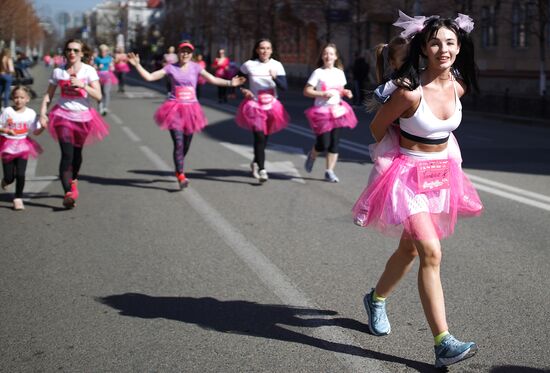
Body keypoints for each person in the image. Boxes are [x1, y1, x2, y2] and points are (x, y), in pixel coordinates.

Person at [351, 12, 483, 368]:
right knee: (430, 251)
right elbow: (378, 129)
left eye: (451, 42)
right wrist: (403, 153)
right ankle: (443, 342)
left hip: (440, 177)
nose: (444, 49)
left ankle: (376, 299)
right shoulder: (409, 91)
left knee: (409, 252)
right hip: (407, 178)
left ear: (459, 48)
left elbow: (445, 131)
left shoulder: (458, 85)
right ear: (424, 47)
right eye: (436, 42)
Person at [127, 41, 245, 189]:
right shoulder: (170, 68)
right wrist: (137, 65)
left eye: (188, 52)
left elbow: (213, 79)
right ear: (178, 52)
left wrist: (230, 83)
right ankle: (180, 174)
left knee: (186, 144)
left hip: (191, 109)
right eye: (182, 51)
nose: (185, 54)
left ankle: (179, 163)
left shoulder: (196, 67)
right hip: (174, 108)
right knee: (178, 142)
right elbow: (150, 77)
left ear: (191, 54)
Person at [39, 39, 109, 209]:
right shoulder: (58, 72)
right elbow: (48, 95)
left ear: (82, 53)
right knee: (67, 154)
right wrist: (42, 113)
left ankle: (74, 179)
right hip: (62, 116)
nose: (72, 53)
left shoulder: (89, 71)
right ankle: (68, 193)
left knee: (77, 155)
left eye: (76, 50)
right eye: (69, 50)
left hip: (83, 118)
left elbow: (99, 96)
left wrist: (82, 85)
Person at [236, 38, 290, 183]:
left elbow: (284, 87)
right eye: (262, 48)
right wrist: (243, 89)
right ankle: (262, 169)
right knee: (259, 136)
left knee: (264, 138)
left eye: (268, 48)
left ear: (271, 51)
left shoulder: (276, 65)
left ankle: (255, 162)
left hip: (272, 106)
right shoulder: (249, 65)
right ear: (257, 50)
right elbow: (236, 79)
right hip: (255, 105)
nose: (265, 51)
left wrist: (275, 78)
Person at [303, 43, 357, 183]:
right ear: (322, 56)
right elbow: (307, 91)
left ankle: (329, 171)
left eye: (331, 54)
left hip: (337, 110)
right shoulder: (318, 73)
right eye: (325, 54)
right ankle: (313, 155)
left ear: (336, 56)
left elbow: (341, 90)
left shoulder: (339, 73)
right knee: (323, 144)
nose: (328, 56)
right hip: (322, 112)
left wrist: (347, 92)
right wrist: (321, 93)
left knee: (334, 143)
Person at [0, 86, 44, 210]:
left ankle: (18, 198)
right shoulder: (7, 111)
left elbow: (35, 131)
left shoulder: (30, 113)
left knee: (20, 174)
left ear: (27, 99)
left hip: (23, 145)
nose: (18, 100)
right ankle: (6, 181)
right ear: (12, 98)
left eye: (22, 97)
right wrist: (6, 130)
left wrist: (43, 126)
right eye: (16, 97)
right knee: (9, 176)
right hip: (7, 145)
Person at [94, 44, 118, 115]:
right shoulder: (97, 58)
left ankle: (105, 107)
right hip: (98, 76)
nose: (103, 53)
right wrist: (98, 67)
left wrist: (112, 67)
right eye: (102, 51)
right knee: (100, 93)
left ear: (107, 51)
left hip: (107, 76)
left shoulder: (109, 58)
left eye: (105, 51)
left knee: (106, 92)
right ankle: (100, 105)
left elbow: (112, 67)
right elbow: (94, 67)